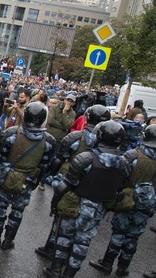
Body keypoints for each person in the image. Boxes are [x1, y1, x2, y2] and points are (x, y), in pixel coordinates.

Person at [46, 120, 130, 278]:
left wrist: (54, 204)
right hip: (97, 210)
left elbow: (65, 185)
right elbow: (120, 190)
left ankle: (55, 271)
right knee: (82, 243)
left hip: (74, 205)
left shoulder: (86, 158)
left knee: (64, 238)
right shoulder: (124, 163)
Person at [90, 124, 156, 276]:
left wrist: (116, 197)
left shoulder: (133, 155)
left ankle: (107, 263)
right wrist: (155, 201)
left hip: (126, 201)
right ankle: (123, 267)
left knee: (118, 233)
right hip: (149, 204)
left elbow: (118, 177)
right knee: (134, 236)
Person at [35, 104, 112, 260]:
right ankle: (66, 254)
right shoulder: (112, 147)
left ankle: (52, 248)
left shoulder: (75, 138)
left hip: (70, 182)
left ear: (86, 118)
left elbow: (58, 159)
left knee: (60, 215)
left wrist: (52, 175)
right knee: (84, 226)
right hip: (94, 187)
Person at [0, 103, 56, 249]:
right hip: (28, 179)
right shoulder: (49, 141)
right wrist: (35, 181)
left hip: (8, 175)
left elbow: (1, 154)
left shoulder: (11, 133)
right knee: (18, 210)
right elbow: (45, 164)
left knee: (1, 205)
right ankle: (8, 240)